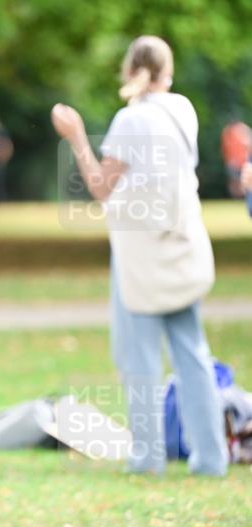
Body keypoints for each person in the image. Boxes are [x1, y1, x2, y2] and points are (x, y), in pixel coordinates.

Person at [51, 35, 228, 477]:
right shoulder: (183, 110)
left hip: (140, 253)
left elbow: (100, 186)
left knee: (138, 357)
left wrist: (75, 138)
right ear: (168, 71)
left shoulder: (130, 121)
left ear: (129, 70)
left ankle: (148, 458)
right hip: (181, 247)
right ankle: (211, 458)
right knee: (193, 353)